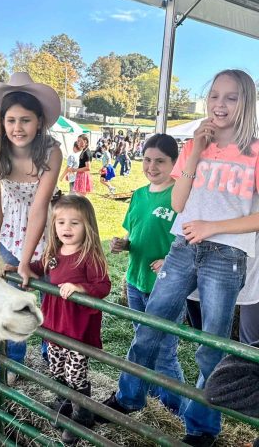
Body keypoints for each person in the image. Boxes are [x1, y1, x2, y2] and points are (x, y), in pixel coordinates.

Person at [100, 69, 259, 447]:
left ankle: (202, 427)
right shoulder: (193, 145)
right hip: (182, 247)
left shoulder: (255, 150)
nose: (219, 105)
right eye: (214, 96)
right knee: (151, 323)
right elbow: (177, 202)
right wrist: (197, 152)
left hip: (227, 256)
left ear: (246, 102)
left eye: (231, 98)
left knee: (212, 345)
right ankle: (129, 396)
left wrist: (213, 227)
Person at [0, 72, 62, 385]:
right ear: (2, 122)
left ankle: (51, 356)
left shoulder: (51, 153)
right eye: (11, 120)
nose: (18, 128)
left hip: (46, 235)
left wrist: (27, 261)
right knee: (11, 303)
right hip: (7, 235)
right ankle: (12, 365)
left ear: (39, 121)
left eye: (25, 120)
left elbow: (40, 208)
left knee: (51, 299)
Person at [107, 133, 186, 416]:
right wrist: (123, 244)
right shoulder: (139, 195)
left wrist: (170, 260)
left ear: (174, 163)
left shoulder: (180, 196)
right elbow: (135, 234)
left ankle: (180, 411)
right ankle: (152, 396)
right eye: (148, 160)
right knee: (142, 340)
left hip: (166, 286)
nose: (152, 167)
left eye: (160, 162)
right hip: (136, 278)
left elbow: (191, 243)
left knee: (164, 351)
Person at [28, 195, 111, 444]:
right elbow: (39, 267)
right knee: (56, 367)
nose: (66, 228)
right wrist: (20, 268)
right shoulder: (54, 252)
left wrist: (80, 288)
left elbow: (103, 286)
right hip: (54, 326)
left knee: (76, 374)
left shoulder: (89, 256)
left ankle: (82, 416)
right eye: (61, 222)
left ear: (88, 226)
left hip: (76, 329)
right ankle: (65, 402)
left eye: (75, 223)